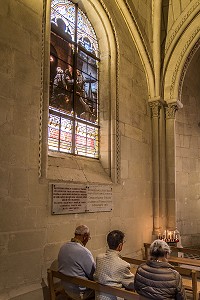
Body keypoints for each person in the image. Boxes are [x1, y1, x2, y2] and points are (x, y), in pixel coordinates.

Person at [94, 230, 135, 300]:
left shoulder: (99, 258)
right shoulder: (123, 265)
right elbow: (132, 284)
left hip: (99, 297)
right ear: (120, 246)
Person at [58, 225, 95, 300]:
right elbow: (93, 275)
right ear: (85, 236)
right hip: (80, 292)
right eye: (88, 238)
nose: (88, 240)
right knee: (105, 291)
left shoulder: (63, 247)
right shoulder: (84, 251)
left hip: (66, 288)